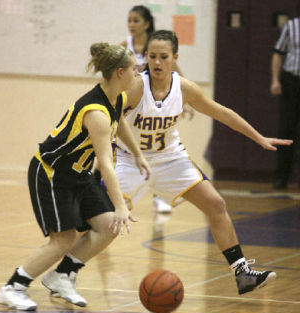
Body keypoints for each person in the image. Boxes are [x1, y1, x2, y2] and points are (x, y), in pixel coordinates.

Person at [114, 30, 293, 295]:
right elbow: (107, 117)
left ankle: (242, 274)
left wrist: (258, 137)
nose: (157, 63)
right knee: (105, 223)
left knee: (216, 204)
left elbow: (222, 113)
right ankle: (66, 270)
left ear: (174, 57)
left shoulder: (184, 87)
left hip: (170, 159)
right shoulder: (135, 87)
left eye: (164, 57)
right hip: (131, 160)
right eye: (152, 56)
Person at [0, 42, 150, 311]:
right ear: (120, 73)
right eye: (134, 69)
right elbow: (105, 163)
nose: (137, 74)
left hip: (78, 175)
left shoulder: (116, 98)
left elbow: (120, 121)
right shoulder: (96, 113)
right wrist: (122, 205)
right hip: (52, 174)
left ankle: (62, 275)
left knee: (109, 225)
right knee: (63, 239)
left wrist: (136, 153)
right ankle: (13, 287)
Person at [120, 5, 194, 213]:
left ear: (146, 23)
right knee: (114, 152)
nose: (131, 25)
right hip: (134, 106)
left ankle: (161, 195)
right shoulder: (126, 46)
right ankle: (102, 194)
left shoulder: (158, 45)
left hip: (155, 104)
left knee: (161, 147)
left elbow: (175, 73)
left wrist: (183, 99)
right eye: (129, 20)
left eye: (136, 20)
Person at [270, 16, 300, 189]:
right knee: (287, 130)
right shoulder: (292, 26)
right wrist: (275, 80)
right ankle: (281, 177)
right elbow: (278, 54)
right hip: (291, 80)